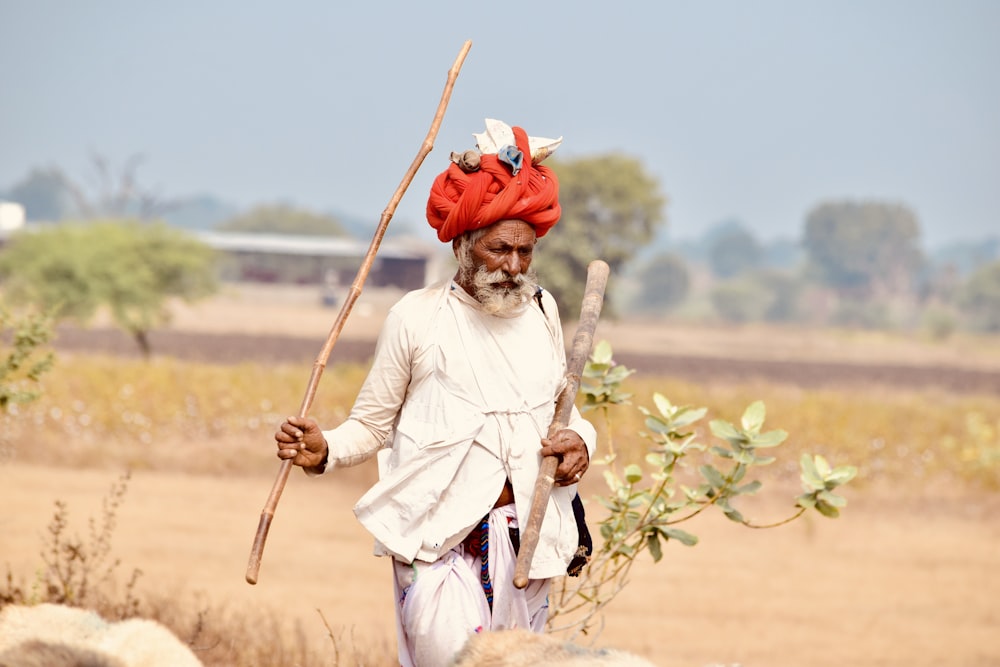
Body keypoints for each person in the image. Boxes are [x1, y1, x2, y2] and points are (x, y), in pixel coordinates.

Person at [274, 119, 597, 667]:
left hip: (524, 538)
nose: (514, 267)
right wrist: (324, 449)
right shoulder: (416, 317)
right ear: (465, 245)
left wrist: (579, 443)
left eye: (525, 252)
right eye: (499, 250)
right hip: (435, 541)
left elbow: (562, 410)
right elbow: (374, 426)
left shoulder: (542, 309)